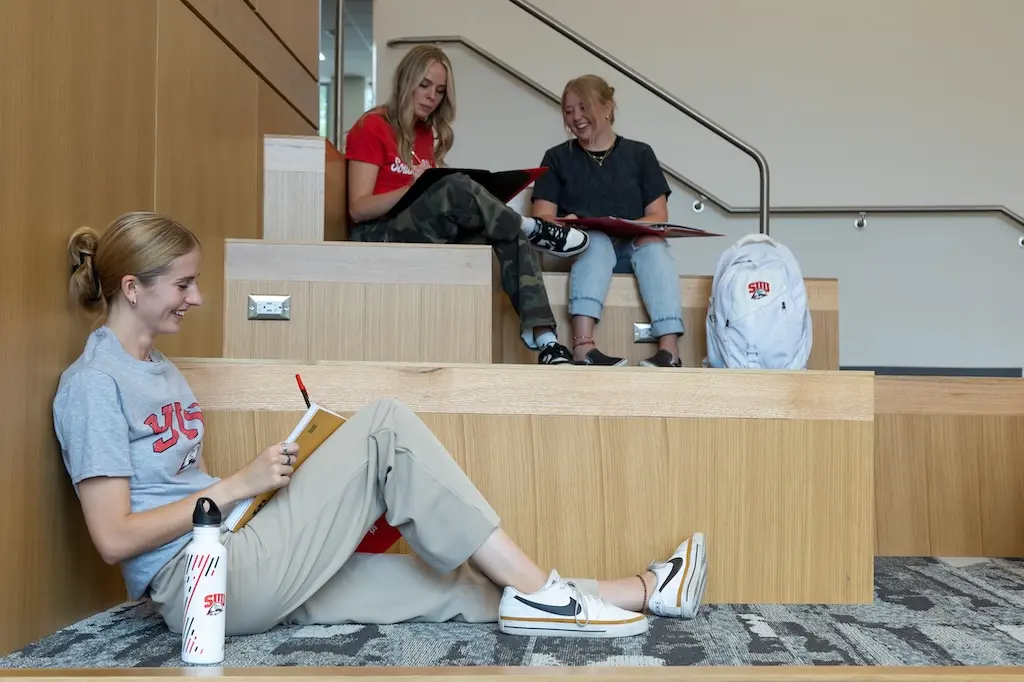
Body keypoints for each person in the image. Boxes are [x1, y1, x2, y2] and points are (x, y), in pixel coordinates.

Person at [52, 211, 709, 640]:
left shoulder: (159, 369)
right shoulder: (93, 384)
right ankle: (544, 593)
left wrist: (260, 491)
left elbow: (167, 496)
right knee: (384, 427)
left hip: (231, 557)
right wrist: (234, 486)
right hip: (206, 579)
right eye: (184, 285)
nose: (197, 298)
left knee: (443, 586)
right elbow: (112, 537)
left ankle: (645, 591)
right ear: (133, 288)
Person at [344, 45, 584, 365]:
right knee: (454, 185)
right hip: (377, 234)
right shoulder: (372, 126)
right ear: (406, 81)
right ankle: (531, 225)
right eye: (425, 85)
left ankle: (547, 341)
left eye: (440, 91)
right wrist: (415, 186)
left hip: (421, 230)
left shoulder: (425, 133)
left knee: (506, 234)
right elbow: (358, 208)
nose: (432, 96)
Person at [531, 75, 685, 368]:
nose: (576, 117)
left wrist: (626, 227)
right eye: (568, 111)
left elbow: (658, 216)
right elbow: (542, 217)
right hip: (581, 251)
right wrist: (568, 224)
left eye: (583, 107)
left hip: (631, 248)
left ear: (607, 107)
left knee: (653, 242)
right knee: (597, 241)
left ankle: (669, 350)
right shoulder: (557, 157)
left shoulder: (639, 154)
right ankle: (583, 347)